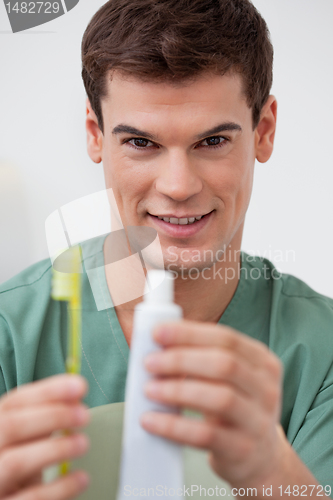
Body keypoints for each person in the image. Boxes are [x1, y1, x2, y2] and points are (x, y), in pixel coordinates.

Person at [0, 0, 333, 498]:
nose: (178, 186)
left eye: (213, 141)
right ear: (96, 135)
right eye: (141, 143)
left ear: (263, 131)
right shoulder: (10, 332)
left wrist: (275, 478)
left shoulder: (321, 354)